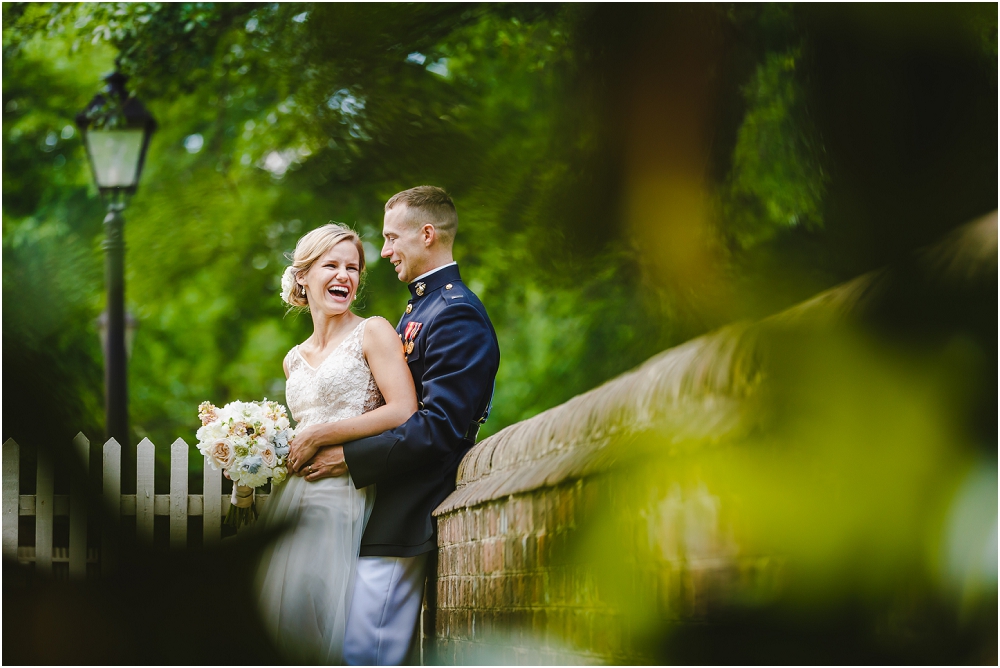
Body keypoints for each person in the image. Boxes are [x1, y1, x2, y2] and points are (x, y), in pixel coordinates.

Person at [294, 186, 501, 665]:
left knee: (370, 653)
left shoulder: (456, 313)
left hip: (408, 506)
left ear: (426, 235)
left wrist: (346, 458)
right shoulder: (421, 307)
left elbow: (440, 427)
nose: (383, 251)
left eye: (390, 239)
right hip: (378, 504)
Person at [255, 223, 418, 664]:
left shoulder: (374, 332)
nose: (344, 275)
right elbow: (298, 435)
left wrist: (320, 435)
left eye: (353, 267)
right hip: (294, 499)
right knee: (283, 616)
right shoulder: (293, 359)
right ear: (303, 276)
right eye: (331, 265)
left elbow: (403, 409)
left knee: (330, 617)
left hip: (347, 493)